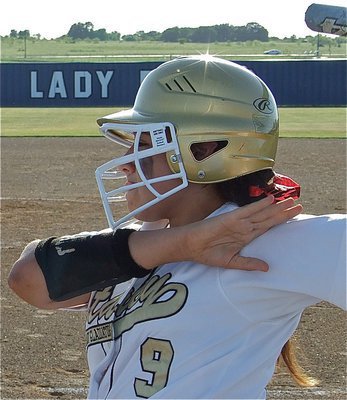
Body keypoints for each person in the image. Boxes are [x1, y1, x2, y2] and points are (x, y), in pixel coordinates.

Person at [9, 55, 346, 399]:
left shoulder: (260, 240)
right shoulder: (146, 240)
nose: (127, 164)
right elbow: (28, 279)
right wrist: (184, 244)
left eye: (143, 145)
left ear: (204, 151)